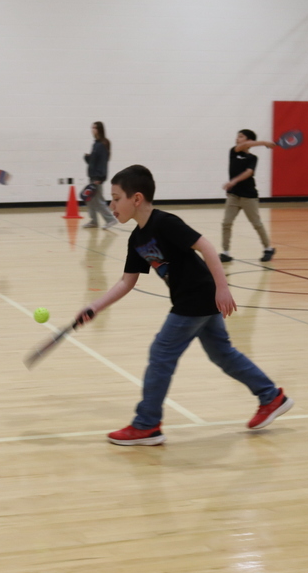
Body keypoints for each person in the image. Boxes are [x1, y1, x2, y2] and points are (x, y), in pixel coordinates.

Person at [73, 165, 292, 446]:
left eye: (116, 198)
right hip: (195, 297)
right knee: (222, 353)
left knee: (161, 352)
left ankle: (147, 425)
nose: (111, 205)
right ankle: (271, 397)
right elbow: (127, 282)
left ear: (136, 199)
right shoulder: (137, 238)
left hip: (197, 297)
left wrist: (223, 288)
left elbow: (207, 247)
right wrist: (94, 307)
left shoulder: (165, 223)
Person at [219, 129, 276, 263]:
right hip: (233, 196)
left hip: (248, 196)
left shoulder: (253, 158)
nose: (237, 139)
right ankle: (225, 252)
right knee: (226, 223)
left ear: (249, 140)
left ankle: (268, 248)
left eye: (241, 136)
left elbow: (249, 172)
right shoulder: (233, 152)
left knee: (256, 223)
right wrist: (264, 142)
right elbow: (241, 147)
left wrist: (233, 181)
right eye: (237, 136)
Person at [82, 121, 117, 229]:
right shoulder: (96, 144)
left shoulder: (102, 145)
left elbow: (102, 162)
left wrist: (100, 177)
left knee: (99, 201)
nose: (92, 130)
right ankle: (94, 221)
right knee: (90, 200)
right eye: (92, 127)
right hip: (92, 177)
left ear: (99, 130)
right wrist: (88, 158)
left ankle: (111, 219)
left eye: (95, 128)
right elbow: (94, 162)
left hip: (97, 178)